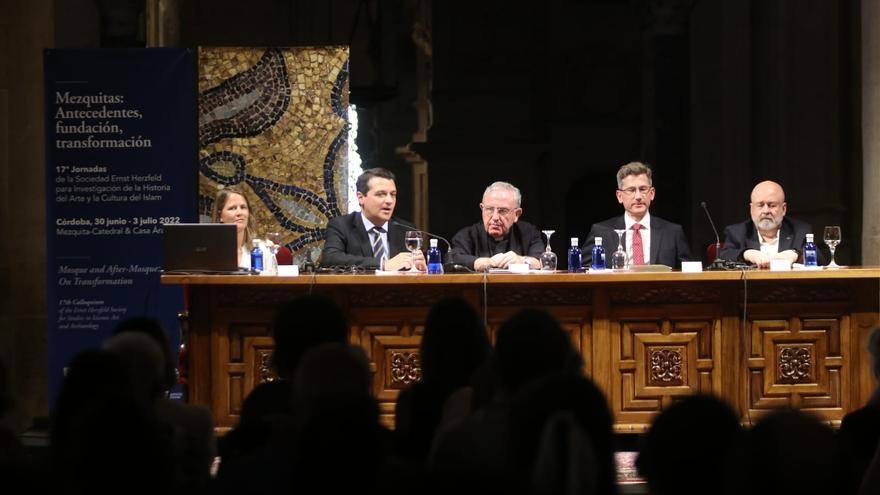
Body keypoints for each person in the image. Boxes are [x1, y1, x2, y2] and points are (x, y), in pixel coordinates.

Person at [582, 162, 691, 268]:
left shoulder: (673, 232)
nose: (638, 196)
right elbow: (584, 270)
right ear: (619, 196)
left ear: (652, 194)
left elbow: (688, 272)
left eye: (643, 189)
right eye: (631, 190)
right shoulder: (600, 231)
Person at [321, 168, 426, 271]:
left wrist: (419, 267)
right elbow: (330, 258)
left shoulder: (406, 230)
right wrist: (382, 264)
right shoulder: (342, 225)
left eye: (393, 195)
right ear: (361, 197)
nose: (389, 201)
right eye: (381, 194)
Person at [720, 180, 817, 268]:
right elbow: (722, 257)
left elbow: (821, 259)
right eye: (760, 205)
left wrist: (796, 254)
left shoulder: (800, 231)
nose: (766, 211)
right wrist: (747, 254)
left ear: (783, 209)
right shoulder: (737, 232)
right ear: (751, 209)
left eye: (772, 205)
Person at [450, 181, 544, 271]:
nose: (495, 217)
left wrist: (521, 260)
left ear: (517, 214)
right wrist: (485, 262)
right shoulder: (466, 235)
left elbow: (542, 261)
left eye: (502, 211)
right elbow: (452, 259)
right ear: (482, 209)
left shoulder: (529, 233)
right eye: (489, 209)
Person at [212, 187, 257, 268]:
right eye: (232, 208)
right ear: (220, 216)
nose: (239, 213)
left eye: (243, 207)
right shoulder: (209, 252)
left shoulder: (263, 249)